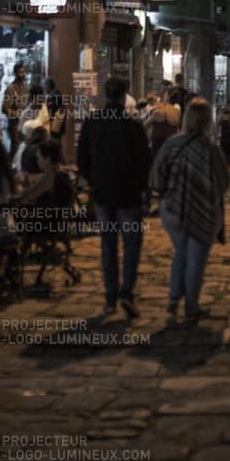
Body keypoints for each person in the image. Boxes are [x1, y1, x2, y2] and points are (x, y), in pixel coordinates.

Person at [77, 77, 151, 319]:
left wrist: (94, 180)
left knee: (108, 245)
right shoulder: (133, 126)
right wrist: (140, 186)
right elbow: (145, 162)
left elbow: (82, 159)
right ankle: (126, 293)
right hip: (129, 195)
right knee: (131, 245)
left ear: (106, 96)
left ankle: (110, 297)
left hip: (103, 194)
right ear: (123, 96)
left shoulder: (92, 123)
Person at [152, 98, 230, 323]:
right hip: (203, 211)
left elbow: (157, 178)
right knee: (195, 258)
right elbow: (223, 182)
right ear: (208, 121)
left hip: (173, 210)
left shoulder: (171, 145)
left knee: (181, 252)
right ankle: (191, 306)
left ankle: (173, 300)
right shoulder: (211, 150)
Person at [3, 63, 29, 161]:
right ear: (15, 73)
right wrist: (17, 114)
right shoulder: (10, 88)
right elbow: (5, 108)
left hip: (24, 124)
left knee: (22, 149)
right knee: (15, 149)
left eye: (24, 72)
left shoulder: (26, 87)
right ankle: (11, 171)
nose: (23, 74)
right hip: (14, 124)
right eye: (20, 72)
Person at [44, 78, 67, 143]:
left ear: (48, 86)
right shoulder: (58, 95)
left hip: (54, 128)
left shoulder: (52, 97)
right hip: (59, 127)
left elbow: (50, 114)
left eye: (44, 86)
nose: (44, 89)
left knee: (54, 147)